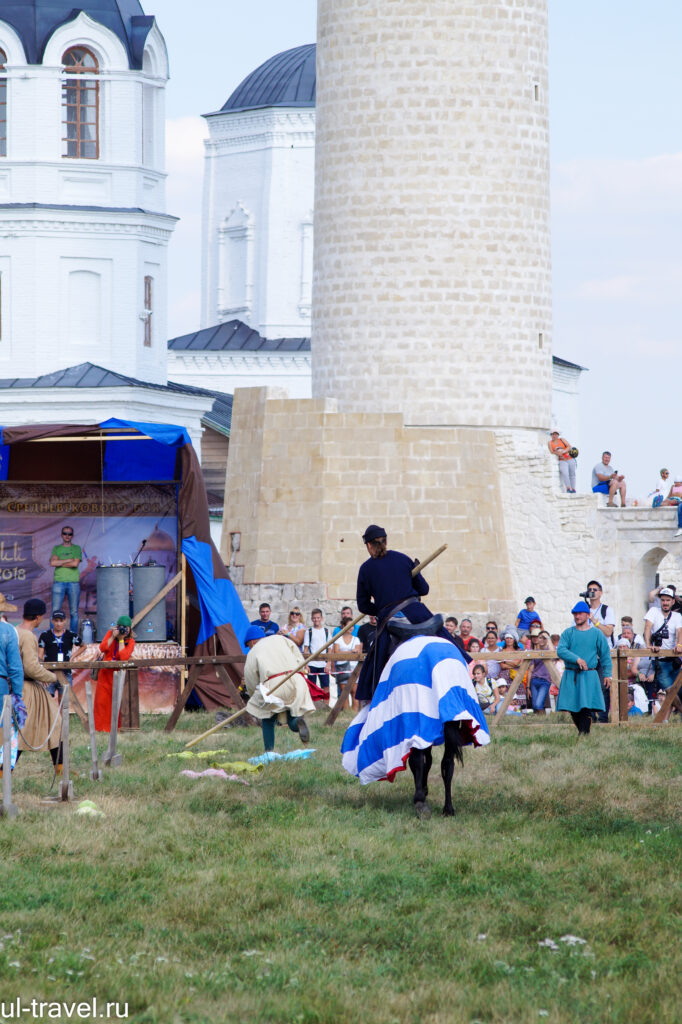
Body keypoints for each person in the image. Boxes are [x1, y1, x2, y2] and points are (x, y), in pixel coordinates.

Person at [355, 524, 461, 702]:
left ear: (368, 545)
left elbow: (363, 605)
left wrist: (382, 610)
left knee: (375, 669)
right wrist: (416, 572)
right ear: (386, 541)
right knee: (453, 648)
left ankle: (374, 698)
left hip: (389, 617)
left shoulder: (365, 569)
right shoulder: (403, 559)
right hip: (418, 612)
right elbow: (424, 589)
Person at [242, 626, 314, 752]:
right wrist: (301, 672)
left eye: (249, 645)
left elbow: (250, 677)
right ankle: (297, 723)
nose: (249, 647)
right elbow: (298, 656)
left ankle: (269, 752)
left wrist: (256, 696)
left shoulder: (254, 651)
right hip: (296, 679)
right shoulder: (281, 639)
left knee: (267, 718)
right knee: (293, 713)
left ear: (252, 642)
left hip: (274, 684)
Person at [15, 599, 63, 770]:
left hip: (20, 685)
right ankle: (4, 772)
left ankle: (61, 768)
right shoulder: (28, 636)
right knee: (21, 733)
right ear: (37, 617)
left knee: (54, 724)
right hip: (26, 688)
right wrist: (52, 677)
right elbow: (31, 668)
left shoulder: (15, 631)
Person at [556, 601, 613, 735]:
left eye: (580, 613)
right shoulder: (568, 633)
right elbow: (561, 650)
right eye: (575, 614)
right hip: (572, 674)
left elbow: (605, 655)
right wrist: (577, 659)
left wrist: (607, 674)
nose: (577, 616)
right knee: (573, 707)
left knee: (586, 706)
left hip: (589, 674)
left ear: (588, 615)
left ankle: (584, 734)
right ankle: (583, 732)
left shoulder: (597, 634)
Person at [93, 615, 135, 732]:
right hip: (105, 674)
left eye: (126, 628)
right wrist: (113, 636)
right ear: (117, 627)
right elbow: (102, 648)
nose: (123, 631)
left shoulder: (130, 641)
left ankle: (115, 728)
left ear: (130, 630)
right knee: (101, 702)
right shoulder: (110, 634)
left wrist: (121, 640)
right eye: (121, 628)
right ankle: (100, 728)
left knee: (116, 701)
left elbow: (123, 657)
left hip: (118, 675)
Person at [643, 587, 682, 696]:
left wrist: (679, 645)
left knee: (675, 691)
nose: (665, 603)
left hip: (674, 660)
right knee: (670, 691)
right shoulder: (654, 611)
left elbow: (680, 632)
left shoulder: (677, 616)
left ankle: (667, 714)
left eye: (668, 600)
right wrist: (649, 645)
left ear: (673, 602)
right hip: (660, 660)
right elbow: (647, 627)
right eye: (663, 600)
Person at [38, 610, 81, 699]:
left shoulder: (71, 635)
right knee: (47, 701)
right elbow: (40, 656)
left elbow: (83, 646)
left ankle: (61, 714)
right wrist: (42, 673)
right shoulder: (45, 635)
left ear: (65, 621)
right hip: (49, 673)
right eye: (56, 620)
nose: (58, 623)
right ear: (52, 621)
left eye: (61, 621)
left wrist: (73, 656)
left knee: (64, 703)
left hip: (65, 673)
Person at [49, 525, 83, 633]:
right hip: (59, 582)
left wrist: (60, 562)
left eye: (69, 534)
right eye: (65, 533)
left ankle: (73, 637)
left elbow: (75, 564)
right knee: (55, 611)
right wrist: (68, 559)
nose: (67, 536)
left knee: (74, 612)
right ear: (61, 535)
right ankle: (52, 636)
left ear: (72, 536)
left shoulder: (77, 548)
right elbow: (52, 563)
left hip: (73, 582)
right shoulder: (56, 548)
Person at [331, 619, 362, 704]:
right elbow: (336, 652)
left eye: (352, 626)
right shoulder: (338, 639)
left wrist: (348, 652)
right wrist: (350, 652)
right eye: (349, 625)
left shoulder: (356, 639)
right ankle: (346, 713)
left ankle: (353, 714)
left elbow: (358, 652)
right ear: (344, 626)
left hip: (354, 667)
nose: (351, 628)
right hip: (342, 667)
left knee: (354, 692)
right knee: (344, 693)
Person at [303, 609, 332, 692]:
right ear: (312, 619)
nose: (316, 620)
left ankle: (326, 705)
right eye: (314, 618)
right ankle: (314, 705)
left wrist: (328, 664)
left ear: (321, 618)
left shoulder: (326, 631)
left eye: (318, 618)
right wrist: (306, 665)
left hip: (323, 663)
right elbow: (306, 649)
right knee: (312, 688)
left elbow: (330, 649)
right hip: (312, 663)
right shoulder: (309, 631)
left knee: (326, 687)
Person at [528, 631, 553, 714]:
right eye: (540, 637)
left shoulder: (549, 650)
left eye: (544, 638)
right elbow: (531, 669)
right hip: (534, 680)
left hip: (545, 681)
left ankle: (543, 720)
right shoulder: (534, 652)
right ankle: (541, 721)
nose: (542, 639)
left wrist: (548, 638)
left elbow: (553, 652)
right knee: (535, 705)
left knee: (539, 704)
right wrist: (528, 687)